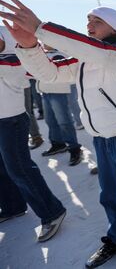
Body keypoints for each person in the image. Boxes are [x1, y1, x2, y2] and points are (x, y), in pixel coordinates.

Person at [0, 0, 116, 268]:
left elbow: (95, 50)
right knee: (111, 196)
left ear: (113, 27)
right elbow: (50, 74)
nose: (89, 25)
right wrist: (29, 45)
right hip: (101, 138)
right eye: (87, 20)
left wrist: (40, 27)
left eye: (96, 21)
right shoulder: (84, 59)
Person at [0, 25, 67, 242]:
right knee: (2, 167)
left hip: (11, 120)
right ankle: (13, 205)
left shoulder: (13, 58)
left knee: (20, 168)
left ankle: (52, 212)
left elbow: (19, 73)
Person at [36, 45, 83, 166]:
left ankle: (74, 148)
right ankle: (58, 144)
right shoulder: (43, 54)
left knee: (64, 121)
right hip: (45, 91)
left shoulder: (59, 54)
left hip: (58, 92)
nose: (43, 42)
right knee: (50, 120)